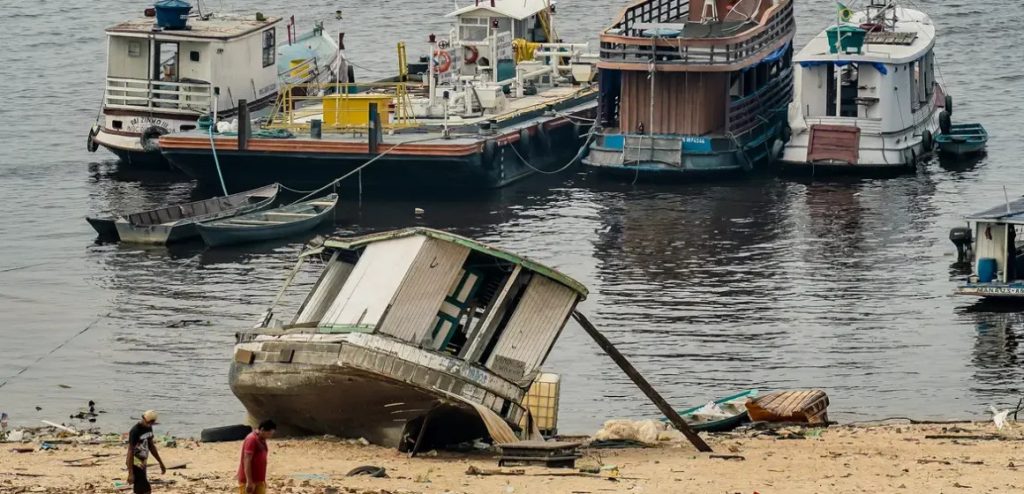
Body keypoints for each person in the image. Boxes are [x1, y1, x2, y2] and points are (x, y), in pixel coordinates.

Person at [127, 410, 166, 494]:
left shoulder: (148, 428)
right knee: (146, 489)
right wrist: (130, 472)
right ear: (144, 419)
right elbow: (130, 451)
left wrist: (160, 462)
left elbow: (151, 446)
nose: (150, 424)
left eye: (152, 423)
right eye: (149, 422)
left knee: (141, 489)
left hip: (143, 462)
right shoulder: (135, 431)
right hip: (135, 462)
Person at [238, 420, 276, 494]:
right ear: (262, 430)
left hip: (259, 480)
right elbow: (247, 461)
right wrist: (249, 481)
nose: (269, 436)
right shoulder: (252, 439)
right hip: (249, 480)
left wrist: (263, 480)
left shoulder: (262, 440)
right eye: (268, 433)